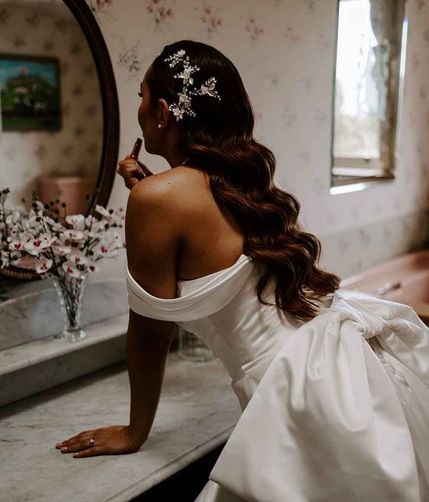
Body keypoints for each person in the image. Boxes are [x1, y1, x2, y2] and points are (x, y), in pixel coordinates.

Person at [56, 40, 429, 501]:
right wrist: (148, 189)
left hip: (293, 388)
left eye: (140, 94)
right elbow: (203, 234)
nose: (138, 106)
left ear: (163, 113)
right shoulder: (243, 182)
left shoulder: (159, 200)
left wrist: (135, 432)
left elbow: (150, 333)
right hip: (341, 365)